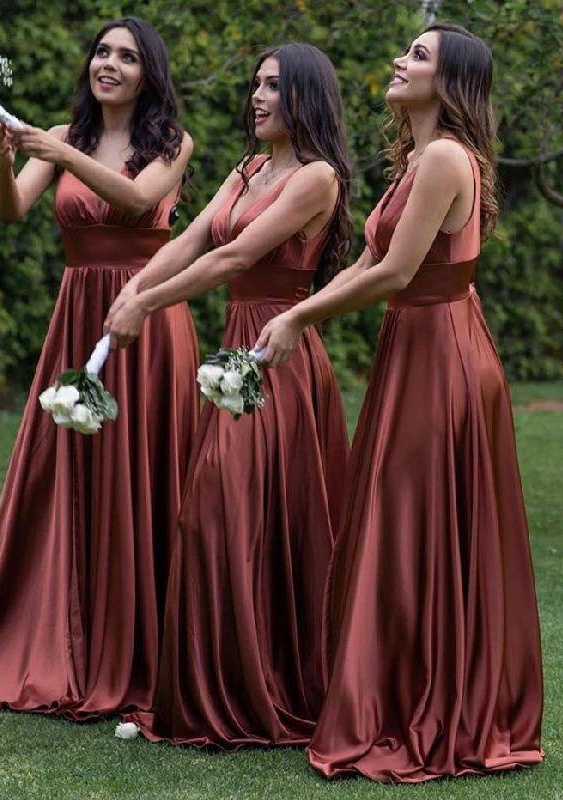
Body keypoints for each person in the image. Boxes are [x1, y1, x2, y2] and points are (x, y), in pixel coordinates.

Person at [256, 23, 544, 782]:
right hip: (412, 347)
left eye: (419, 56)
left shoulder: (446, 158)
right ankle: (397, 693)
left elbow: (395, 272)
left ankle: (438, 708)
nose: (400, 59)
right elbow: (372, 262)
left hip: (443, 355)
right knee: (395, 517)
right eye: (406, 50)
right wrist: (302, 307)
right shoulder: (416, 157)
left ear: (450, 83)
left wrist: (297, 316)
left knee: (418, 522)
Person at [0, 17, 199, 720]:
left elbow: (138, 201)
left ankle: (144, 643)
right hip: (77, 312)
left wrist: (56, 152)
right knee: (68, 474)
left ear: (150, 74)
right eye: (103, 52)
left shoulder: (171, 143)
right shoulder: (64, 135)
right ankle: (69, 633)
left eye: (127, 56)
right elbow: (15, 208)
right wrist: (3, 160)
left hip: (147, 313)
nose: (109, 64)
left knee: (142, 468)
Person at [104, 43, 351, 748]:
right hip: (235, 352)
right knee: (217, 515)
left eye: (274, 86)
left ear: (307, 96)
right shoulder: (248, 169)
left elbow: (236, 257)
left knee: (229, 513)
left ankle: (259, 693)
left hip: (277, 356)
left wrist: (147, 308)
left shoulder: (315, 178)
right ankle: (217, 690)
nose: (258, 97)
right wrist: (135, 285)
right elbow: (194, 239)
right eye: (256, 85)